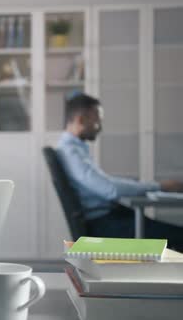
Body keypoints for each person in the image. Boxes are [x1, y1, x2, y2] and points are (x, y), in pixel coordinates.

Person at [57, 93, 183, 248]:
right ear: (82, 120)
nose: (100, 128)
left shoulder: (75, 149)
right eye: (97, 122)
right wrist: (160, 186)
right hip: (103, 225)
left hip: (110, 218)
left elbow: (106, 183)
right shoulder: (71, 152)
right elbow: (110, 189)